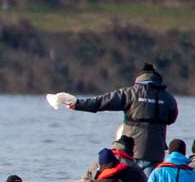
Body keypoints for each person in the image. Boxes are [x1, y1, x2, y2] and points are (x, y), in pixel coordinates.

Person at [46, 63, 179, 164]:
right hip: (156, 153)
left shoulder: (130, 93)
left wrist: (76, 104)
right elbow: (172, 119)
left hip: (131, 151)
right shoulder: (168, 98)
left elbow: (101, 102)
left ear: (139, 78)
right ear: (158, 79)